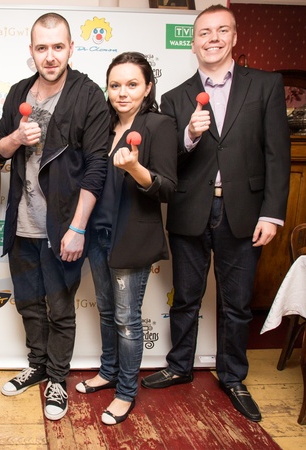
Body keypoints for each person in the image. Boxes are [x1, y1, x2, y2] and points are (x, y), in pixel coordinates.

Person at [140, 5, 291, 423]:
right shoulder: (174, 97)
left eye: (222, 31)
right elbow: (166, 161)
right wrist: (189, 135)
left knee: (237, 303)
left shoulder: (265, 85)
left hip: (245, 211)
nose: (213, 39)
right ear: (193, 43)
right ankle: (179, 365)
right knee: (186, 296)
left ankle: (233, 375)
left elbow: (278, 155)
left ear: (234, 37)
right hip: (191, 208)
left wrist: (272, 214)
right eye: (205, 32)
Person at [0, 12, 109, 421]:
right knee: (28, 305)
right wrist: (16, 137)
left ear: (71, 48)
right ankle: (37, 365)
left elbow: (97, 167)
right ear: (32, 51)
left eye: (58, 47)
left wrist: (78, 227)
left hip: (63, 226)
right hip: (22, 224)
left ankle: (57, 378)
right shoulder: (18, 92)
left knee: (60, 309)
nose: (51, 56)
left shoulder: (88, 95)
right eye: (42, 48)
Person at [76, 52, 177, 426]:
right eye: (115, 85)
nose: (122, 92)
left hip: (130, 239)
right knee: (106, 311)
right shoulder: (103, 127)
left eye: (132, 84)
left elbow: (168, 188)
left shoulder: (159, 125)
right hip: (98, 235)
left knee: (126, 319)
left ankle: (125, 392)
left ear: (147, 87)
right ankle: (108, 371)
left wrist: (136, 168)